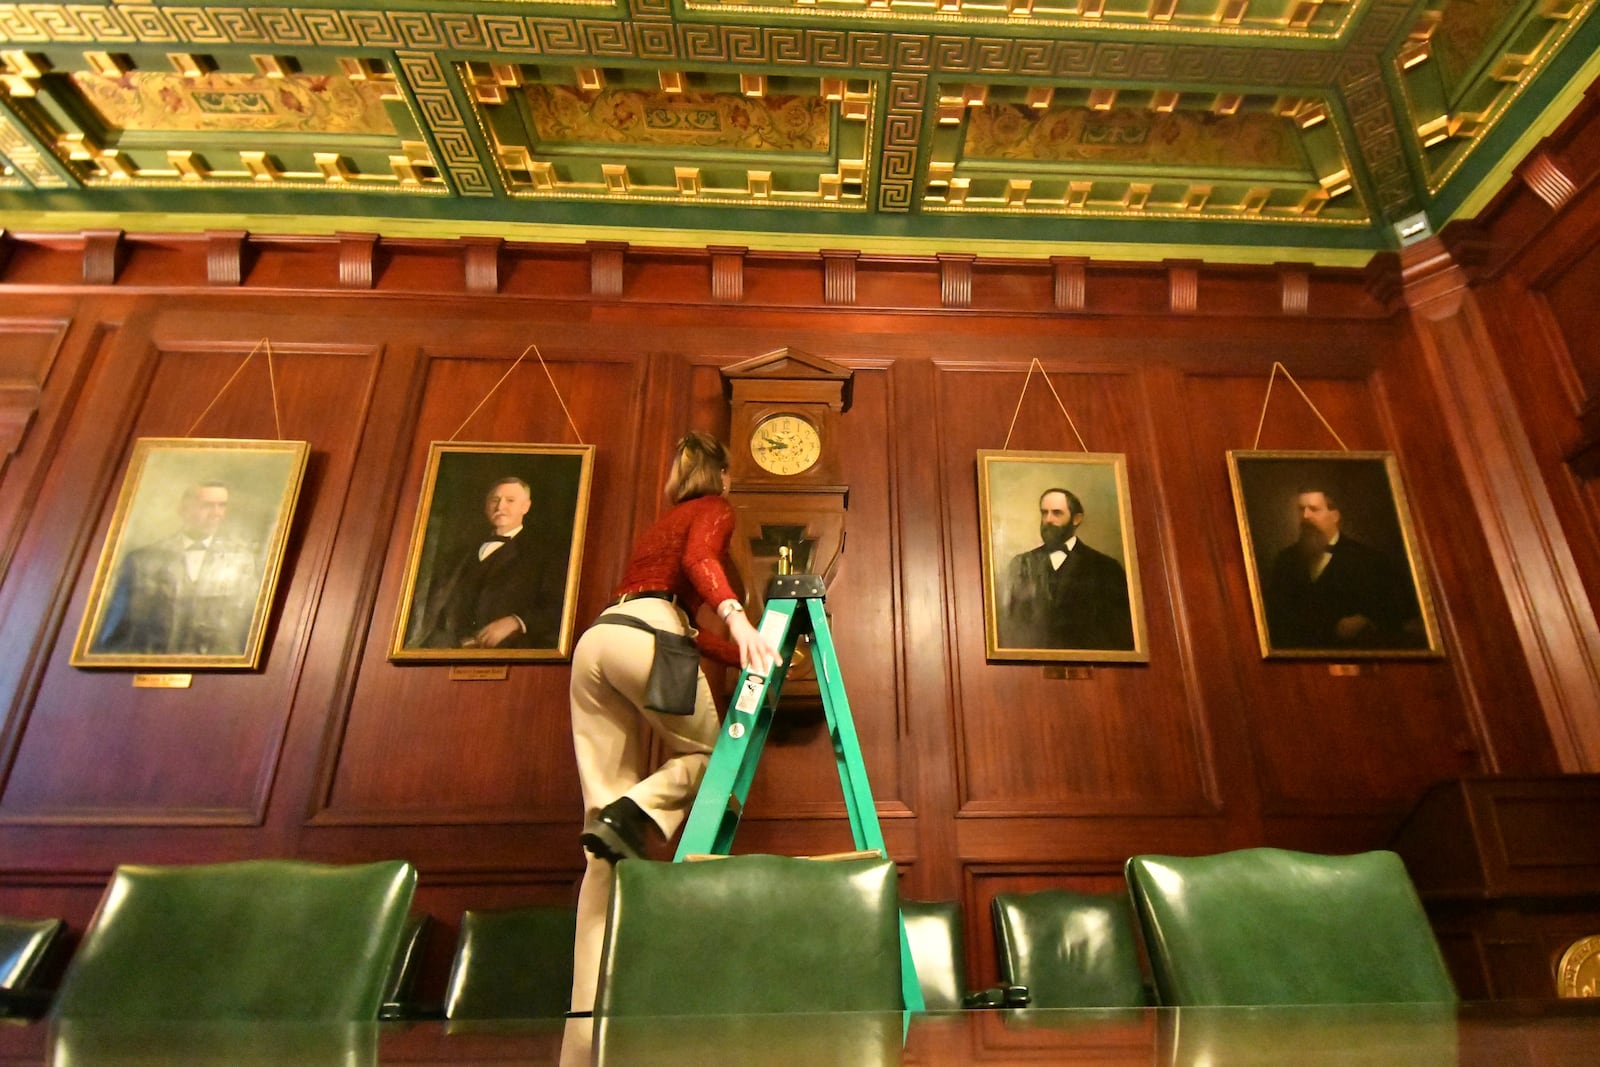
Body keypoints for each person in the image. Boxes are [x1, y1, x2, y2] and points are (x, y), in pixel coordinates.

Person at [566, 431, 780, 1016]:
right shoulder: (714, 509)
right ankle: (633, 813)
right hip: (652, 638)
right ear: (724, 477)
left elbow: (680, 632)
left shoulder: (659, 525)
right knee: (715, 760)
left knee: (604, 854)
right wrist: (739, 620)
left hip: (601, 639)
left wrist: (744, 652)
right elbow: (698, 564)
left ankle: (584, 1019)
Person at [95, 480, 263, 656]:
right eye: (206, 506)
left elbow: (248, 627)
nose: (216, 514)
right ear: (183, 509)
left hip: (217, 672)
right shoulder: (142, 561)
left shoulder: (244, 562)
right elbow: (114, 631)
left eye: (221, 506)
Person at [1262, 487, 1425, 650]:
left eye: (1314, 509)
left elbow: (1403, 613)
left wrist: (1366, 619)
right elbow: (1273, 616)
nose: (1305, 516)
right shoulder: (1285, 559)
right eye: (1301, 510)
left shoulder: (1369, 559)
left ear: (1335, 515)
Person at [412, 476, 563, 650]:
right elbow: (438, 611)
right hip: (454, 653)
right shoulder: (461, 555)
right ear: (486, 506)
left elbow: (557, 608)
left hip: (515, 655)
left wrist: (516, 621)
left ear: (525, 507)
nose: (500, 507)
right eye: (495, 500)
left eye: (510, 501)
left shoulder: (545, 554)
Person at [998, 487, 1134, 651]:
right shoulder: (1021, 564)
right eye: (1044, 512)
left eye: (1057, 513)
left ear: (1076, 519)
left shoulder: (1106, 568)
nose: (1048, 519)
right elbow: (1008, 625)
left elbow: (1119, 633)